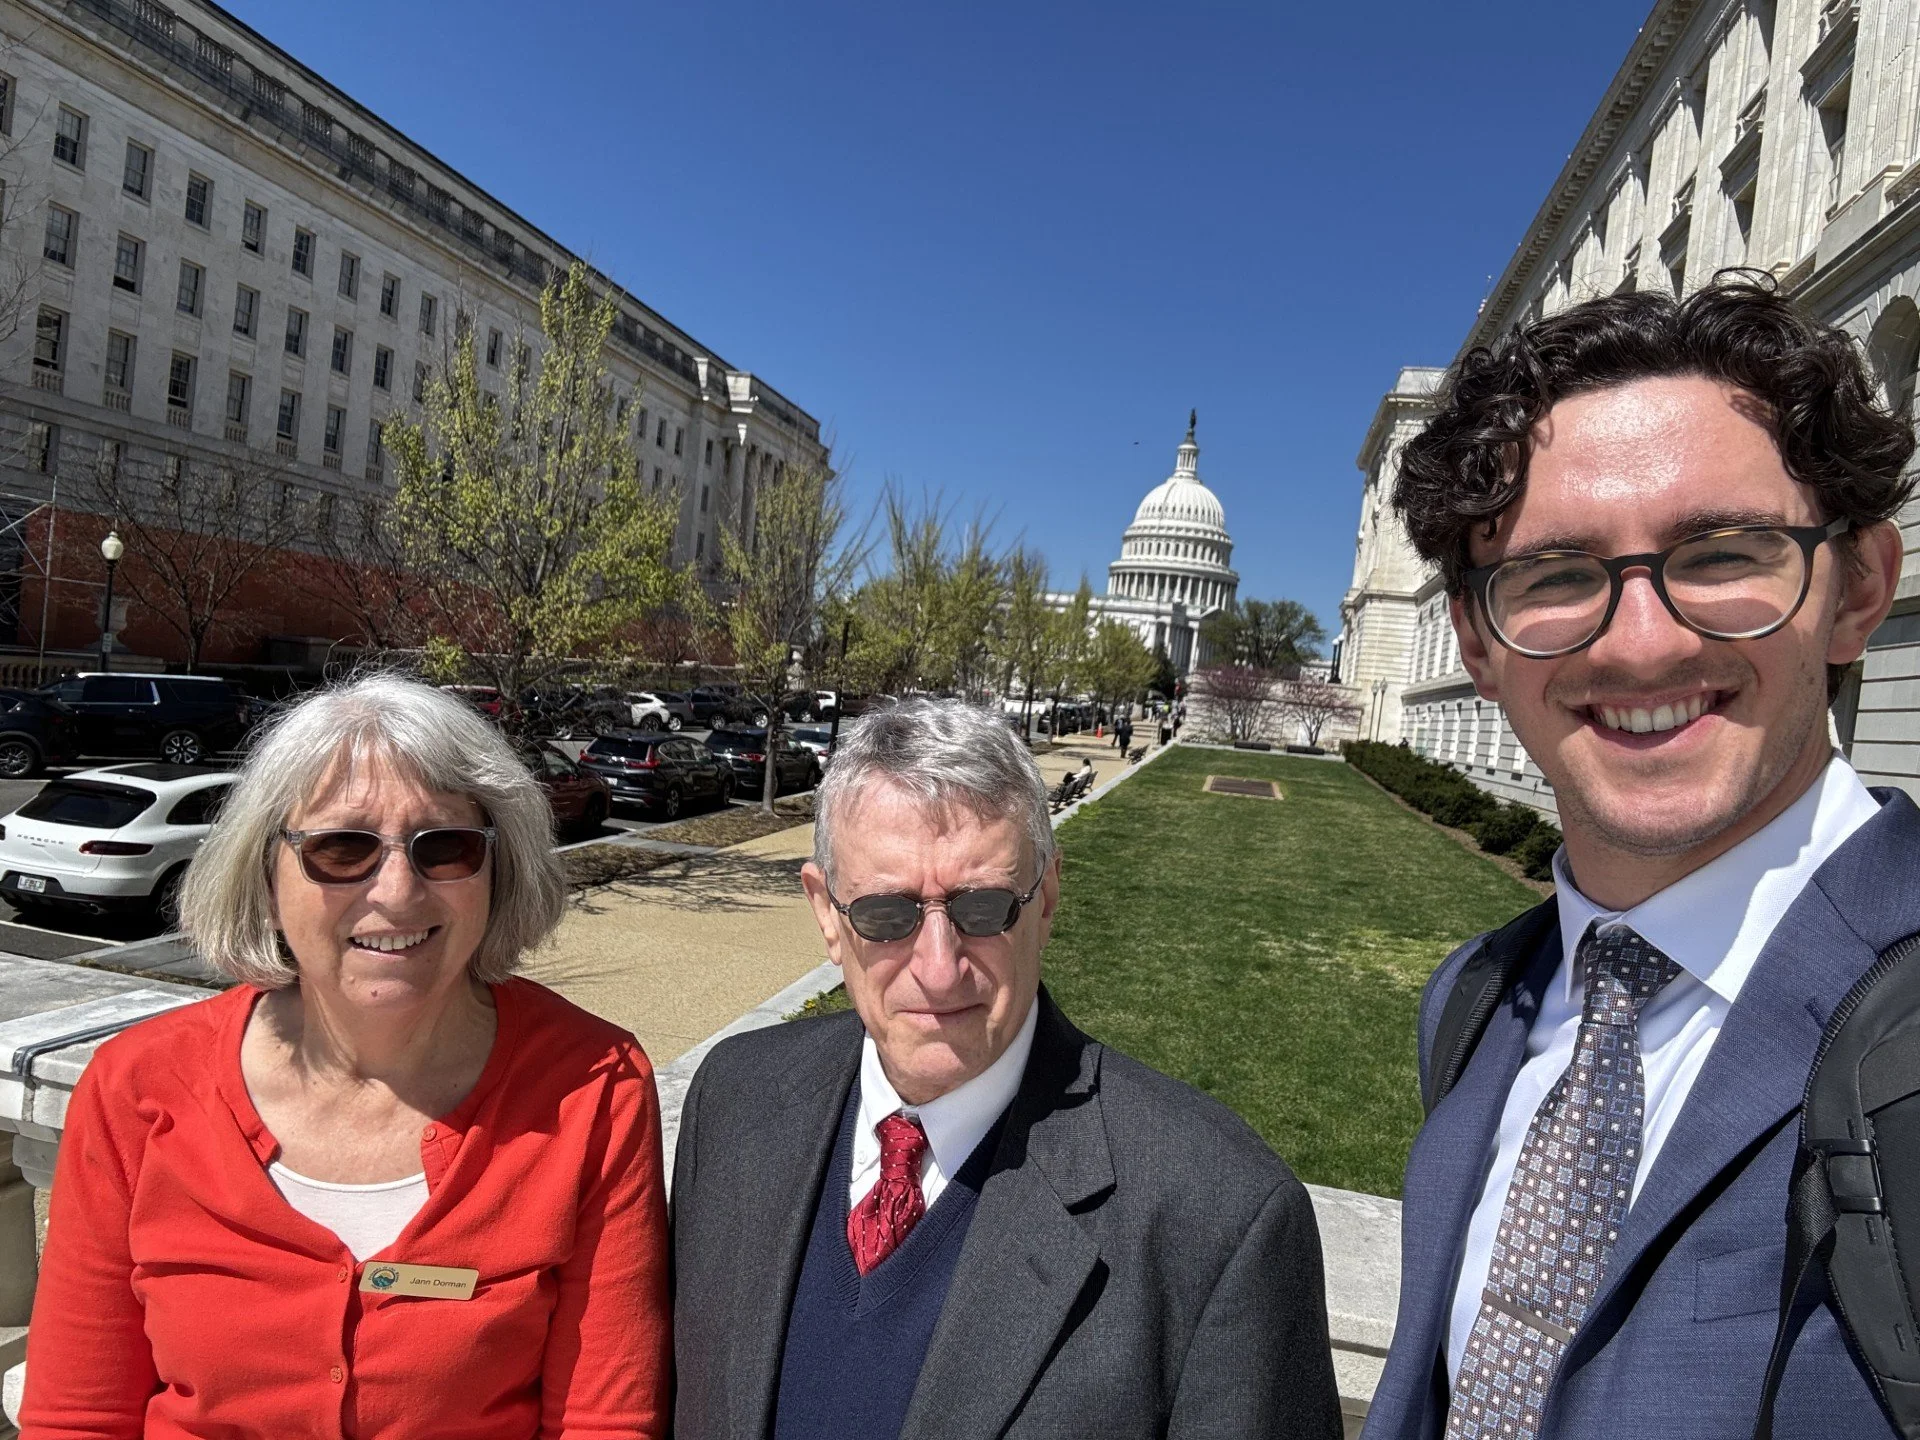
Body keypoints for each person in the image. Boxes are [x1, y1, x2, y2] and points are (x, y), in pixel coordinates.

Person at [1362, 276, 1915, 1439]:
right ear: (1476, 639)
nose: (1644, 640)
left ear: (1857, 587)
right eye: (1558, 577)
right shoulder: (1477, 1000)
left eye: (1721, 553)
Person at [670, 698, 1341, 1439]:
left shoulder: (1219, 1217)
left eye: (984, 908)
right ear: (827, 914)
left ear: (1047, 896)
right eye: (887, 914)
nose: (938, 967)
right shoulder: (733, 1102)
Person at [20, 675, 671, 1438]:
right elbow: (79, 1417)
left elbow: (604, 1422)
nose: (397, 893)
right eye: (341, 846)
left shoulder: (592, 1085)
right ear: (265, 875)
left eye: (447, 847)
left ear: (498, 870)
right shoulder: (137, 1088)